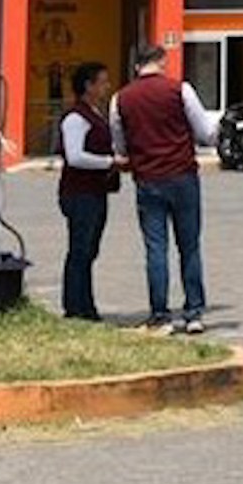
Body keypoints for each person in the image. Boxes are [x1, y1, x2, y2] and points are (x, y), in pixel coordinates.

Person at [110, 44, 217, 336]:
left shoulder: (121, 98)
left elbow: (119, 144)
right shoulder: (181, 91)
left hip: (147, 180)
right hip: (182, 176)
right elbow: (206, 133)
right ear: (161, 62)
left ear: (137, 66)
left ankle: (160, 315)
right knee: (190, 247)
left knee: (156, 249)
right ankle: (194, 312)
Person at [58, 61, 123, 322]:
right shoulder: (76, 118)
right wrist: (109, 162)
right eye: (102, 81)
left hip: (96, 191)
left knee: (89, 250)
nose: (107, 86)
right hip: (79, 192)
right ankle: (76, 307)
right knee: (80, 249)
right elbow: (75, 157)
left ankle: (85, 304)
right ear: (89, 86)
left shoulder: (95, 114)